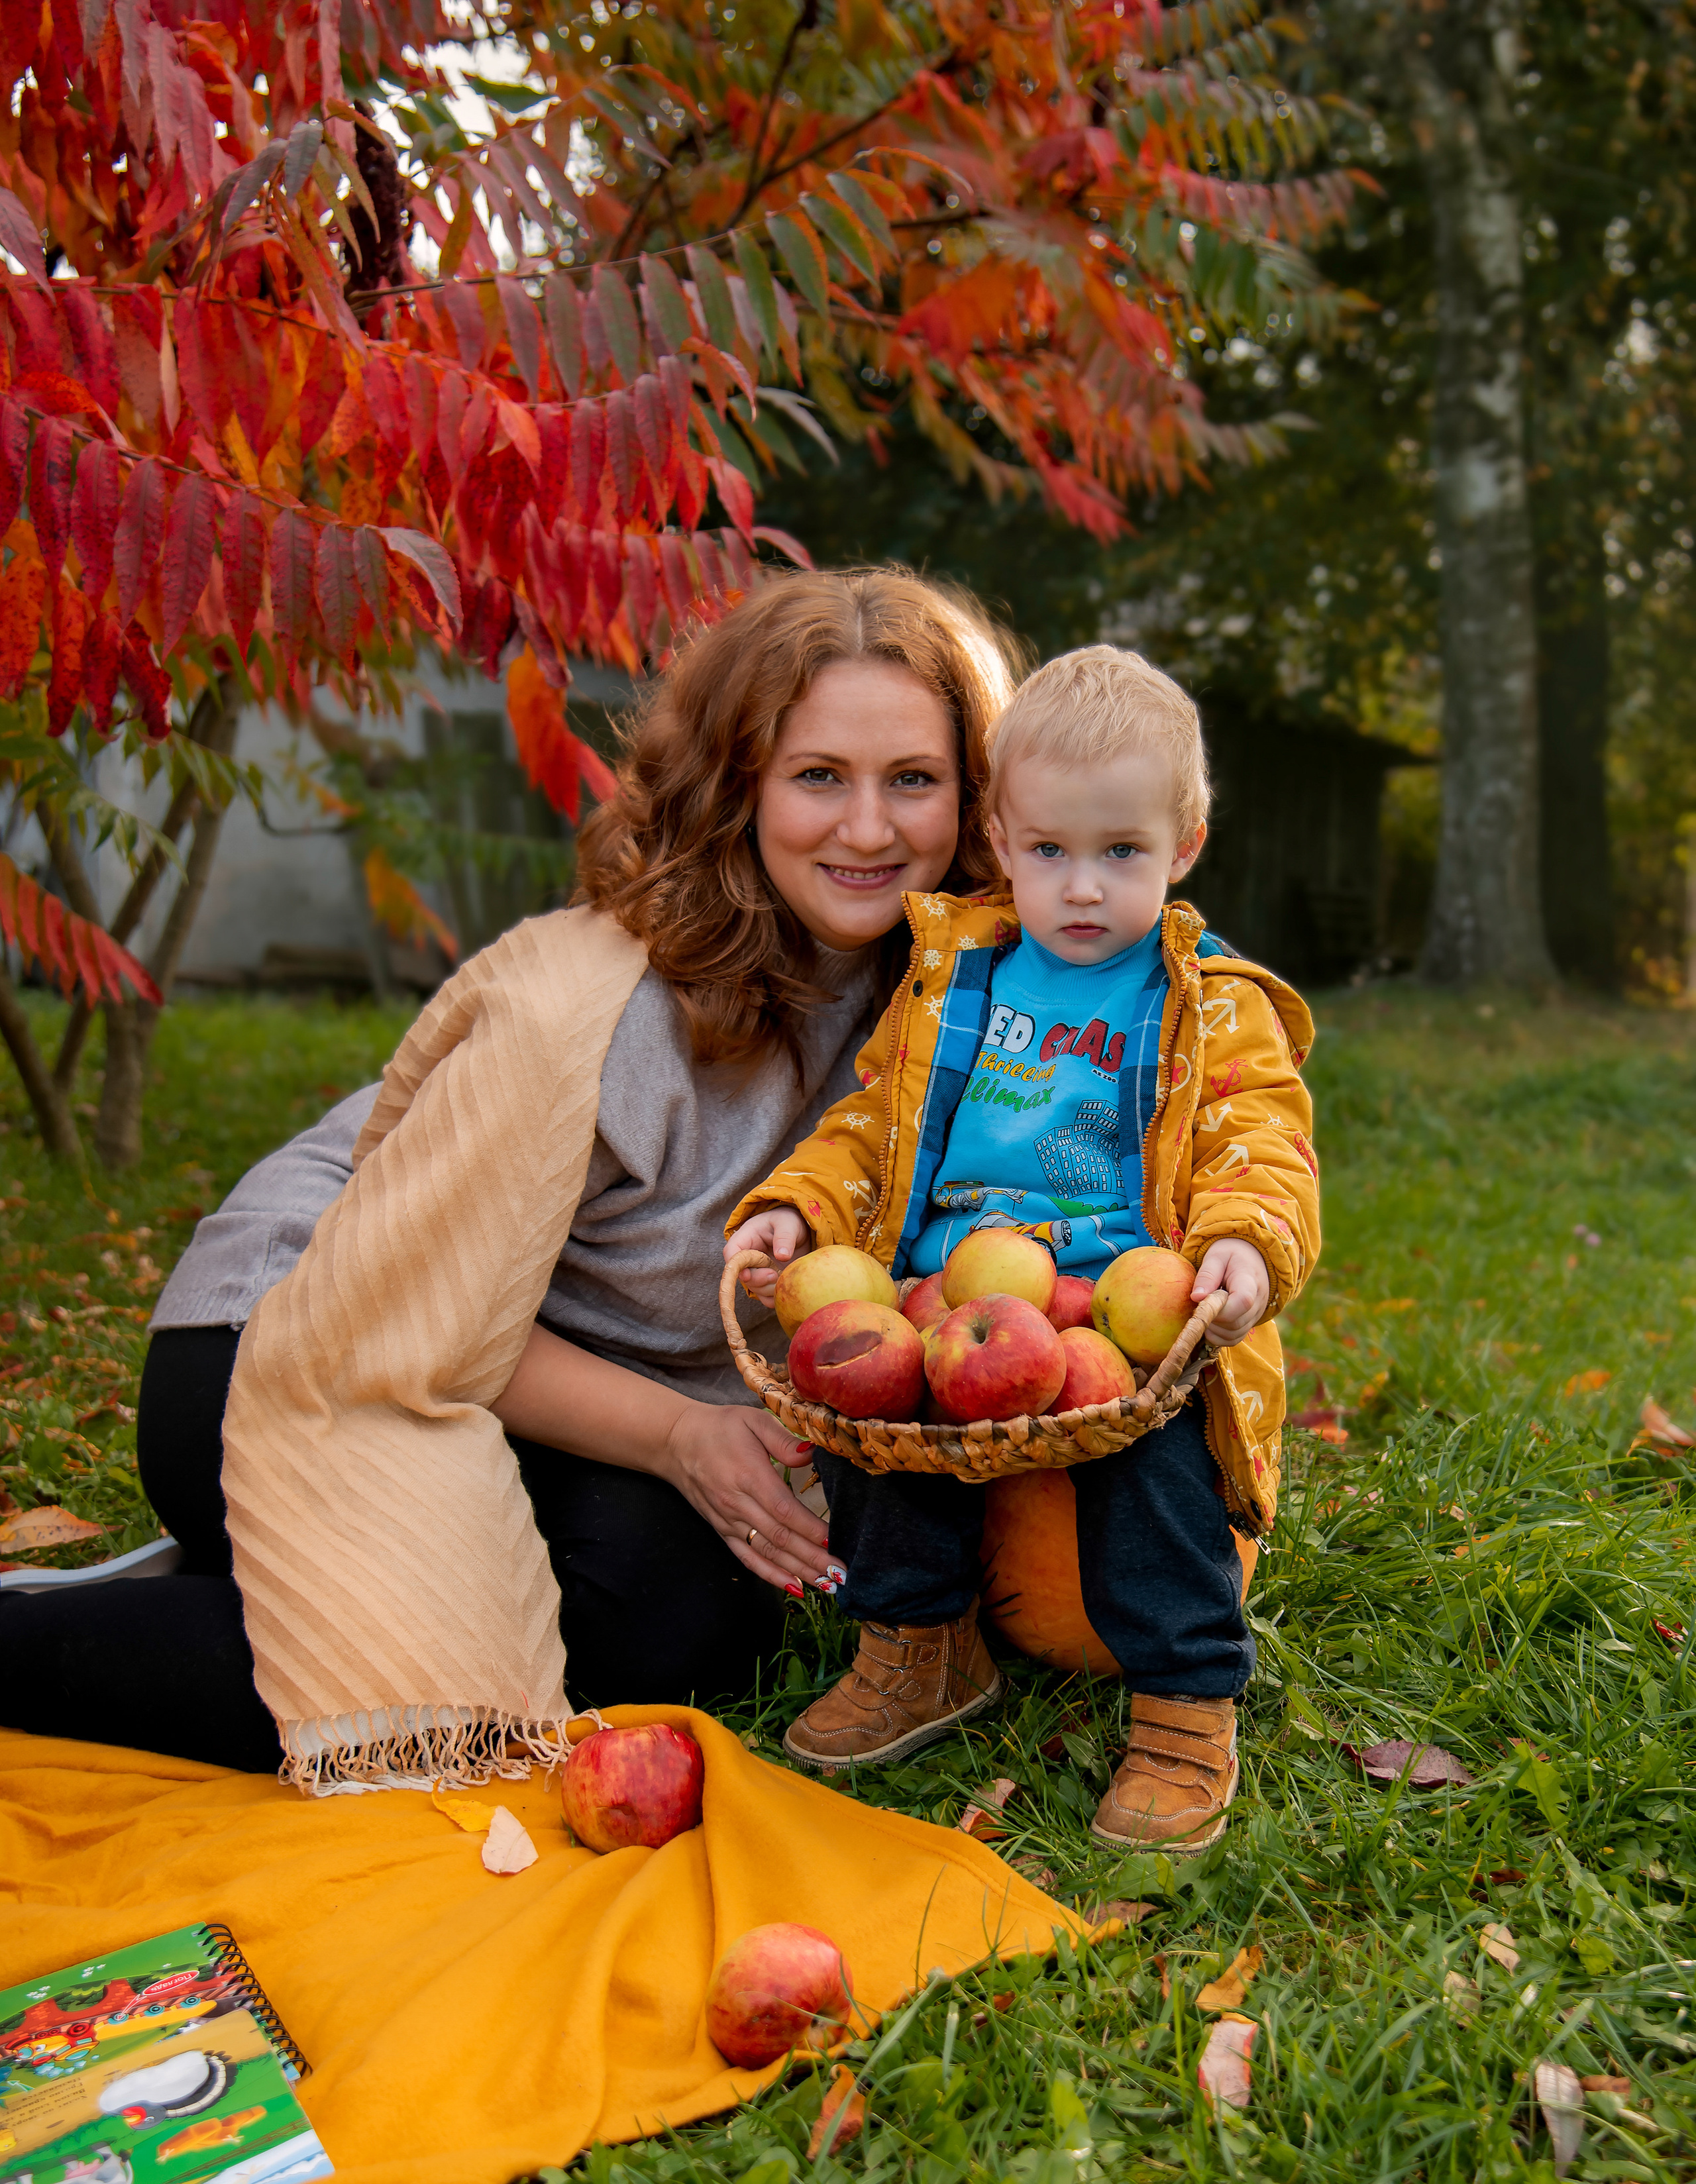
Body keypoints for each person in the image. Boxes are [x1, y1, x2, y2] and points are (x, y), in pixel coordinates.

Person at [0, 569, 1020, 1775]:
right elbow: (417, 1312)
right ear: (737, 783)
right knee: (441, 1686)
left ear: (977, 798)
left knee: (681, 1624)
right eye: (818, 776)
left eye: (914, 779)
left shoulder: (959, 996)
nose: (869, 828)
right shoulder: (588, 1012)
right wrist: (680, 1435)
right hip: (305, 1340)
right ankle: (40, 1637)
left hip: (543, 1381)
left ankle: (256, 1580)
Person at [725, 645, 1321, 1855]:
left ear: (1185, 846)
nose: (1083, 888)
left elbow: (1263, 1137)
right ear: (1000, 838)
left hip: (1120, 1307)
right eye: (1049, 850)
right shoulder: (959, 975)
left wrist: (1248, 1243)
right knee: (878, 1423)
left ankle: (1186, 1699)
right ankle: (920, 1643)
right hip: (947, 1291)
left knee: (1152, 1464)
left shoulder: (1208, 1001)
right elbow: (872, 1121)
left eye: (1122, 853)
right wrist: (803, 1208)